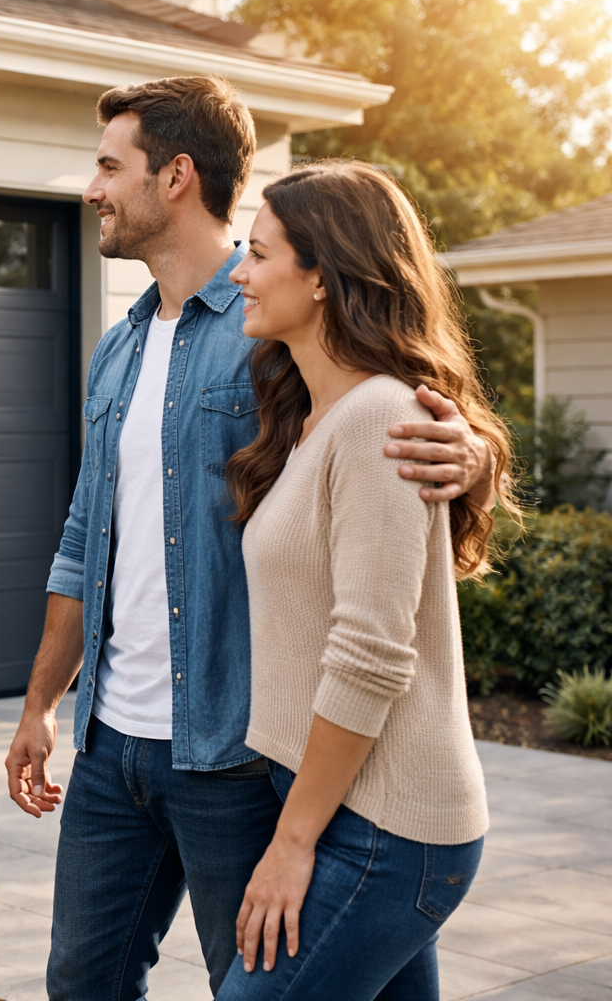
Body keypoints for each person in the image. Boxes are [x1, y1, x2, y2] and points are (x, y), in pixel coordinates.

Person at [1, 75, 498, 1000]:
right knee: (81, 982)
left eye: (110, 165)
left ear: (177, 176)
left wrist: (471, 453)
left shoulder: (273, 330)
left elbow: (398, 412)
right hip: (113, 743)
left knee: (263, 976)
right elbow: (84, 538)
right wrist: (43, 703)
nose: (91, 187)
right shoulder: (117, 348)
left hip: (231, 750)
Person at [215, 160, 510, 1000]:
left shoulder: (383, 418)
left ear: (321, 277)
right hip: (346, 809)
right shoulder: (315, 418)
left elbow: (371, 654)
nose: (239, 272)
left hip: (382, 829)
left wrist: (292, 842)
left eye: (260, 254)